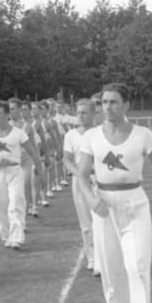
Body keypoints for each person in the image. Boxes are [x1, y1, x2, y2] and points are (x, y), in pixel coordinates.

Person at [75, 83, 152, 303]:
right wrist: (92, 199)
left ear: (126, 105)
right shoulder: (92, 137)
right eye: (104, 102)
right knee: (112, 273)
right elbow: (82, 175)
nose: (107, 107)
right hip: (104, 208)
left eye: (114, 102)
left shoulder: (143, 135)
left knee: (137, 267)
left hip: (134, 205)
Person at [0, 101, 43, 250]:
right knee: (1, 205)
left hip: (14, 172)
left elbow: (33, 151)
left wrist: (40, 170)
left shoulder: (18, 133)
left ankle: (17, 236)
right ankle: (6, 236)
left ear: (7, 115)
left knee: (16, 202)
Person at [63, 99, 99, 274]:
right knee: (86, 223)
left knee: (102, 220)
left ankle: (103, 257)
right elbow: (67, 160)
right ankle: (92, 258)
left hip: (100, 179)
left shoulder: (101, 133)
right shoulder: (70, 135)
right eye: (79, 113)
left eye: (85, 112)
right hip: (80, 180)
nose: (81, 116)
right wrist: (81, 175)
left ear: (93, 113)